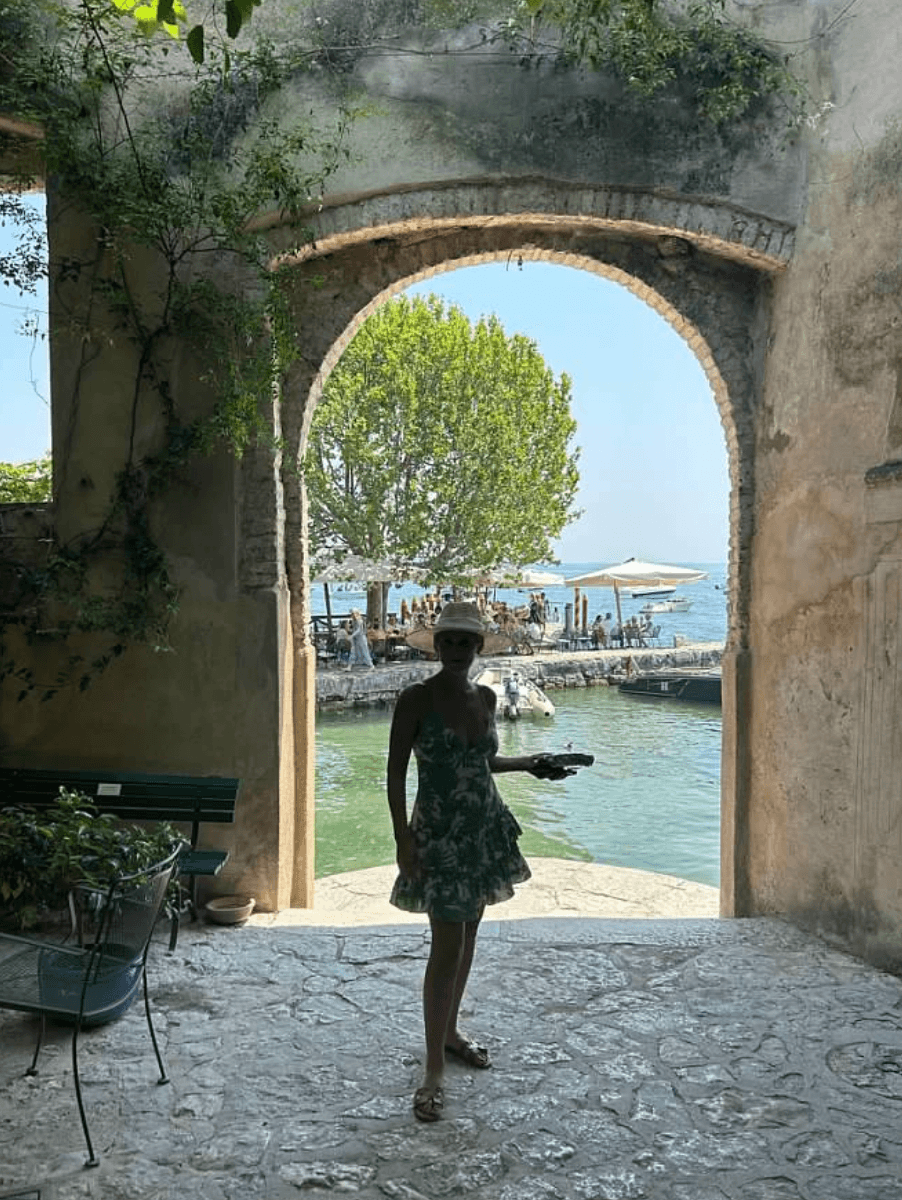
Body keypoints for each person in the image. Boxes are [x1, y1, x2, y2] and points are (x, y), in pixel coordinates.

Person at [386, 602, 570, 1123]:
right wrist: (403, 839)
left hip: (484, 829)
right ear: (437, 645)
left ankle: (449, 1033)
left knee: (467, 939)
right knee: (445, 946)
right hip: (439, 834)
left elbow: (483, 761)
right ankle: (432, 1071)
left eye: (467, 642)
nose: (458, 650)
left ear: (478, 648)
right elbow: (395, 773)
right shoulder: (416, 699)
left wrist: (530, 764)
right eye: (449, 641)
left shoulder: (486, 698)